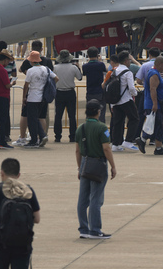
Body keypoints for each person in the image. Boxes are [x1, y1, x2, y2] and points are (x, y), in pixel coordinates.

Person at [0, 158, 41, 268]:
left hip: (1, 243)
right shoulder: (27, 191)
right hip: (23, 244)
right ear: (19, 174)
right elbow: (37, 218)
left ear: (1, 173)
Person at [75, 99, 116, 239]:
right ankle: (95, 229)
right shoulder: (102, 128)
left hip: (85, 163)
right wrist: (113, 166)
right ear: (98, 111)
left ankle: (83, 228)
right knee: (95, 199)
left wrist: (79, 168)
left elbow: (77, 150)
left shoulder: (81, 128)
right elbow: (106, 148)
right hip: (98, 164)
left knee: (83, 198)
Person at [16, 41, 53, 145]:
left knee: (26, 115)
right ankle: (41, 137)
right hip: (44, 94)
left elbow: (21, 71)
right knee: (42, 116)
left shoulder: (29, 64)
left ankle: (24, 137)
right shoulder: (47, 62)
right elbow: (54, 76)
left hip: (32, 94)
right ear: (42, 49)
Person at [22, 51, 58, 148]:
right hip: (43, 98)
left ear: (32, 61)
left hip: (33, 97)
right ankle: (41, 136)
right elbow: (56, 78)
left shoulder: (30, 70)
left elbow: (26, 85)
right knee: (37, 118)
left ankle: (37, 139)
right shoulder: (46, 69)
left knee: (32, 120)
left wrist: (24, 97)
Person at [108, 51, 140, 152]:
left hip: (116, 101)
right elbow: (131, 88)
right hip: (126, 100)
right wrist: (136, 93)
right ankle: (128, 141)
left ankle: (115, 144)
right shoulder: (128, 72)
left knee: (118, 122)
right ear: (126, 61)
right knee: (134, 119)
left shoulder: (114, 70)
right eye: (129, 60)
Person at [143, 56, 163, 155]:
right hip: (154, 105)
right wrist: (155, 104)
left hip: (156, 104)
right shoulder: (154, 74)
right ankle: (156, 147)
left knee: (156, 125)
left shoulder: (155, 73)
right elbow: (153, 89)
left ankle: (145, 140)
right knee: (158, 125)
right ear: (160, 64)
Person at [53, 50, 83, 143]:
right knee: (72, 115)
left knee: (58, 115)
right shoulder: (73, 67)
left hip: (59, 92)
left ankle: (58, 136)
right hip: (70, 92)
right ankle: (72, 136)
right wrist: (78, 68)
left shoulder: (55, 67)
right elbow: (80, 78)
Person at [82, 46, 107, 122]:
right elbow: (105, 71)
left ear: (88, 55)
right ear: (97, 55)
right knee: (101, 112)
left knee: (90, 111)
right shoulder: (101, 65)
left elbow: (84, 73)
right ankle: (101, 128)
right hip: (100, 91)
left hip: (90, 91)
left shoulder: (85, 66)